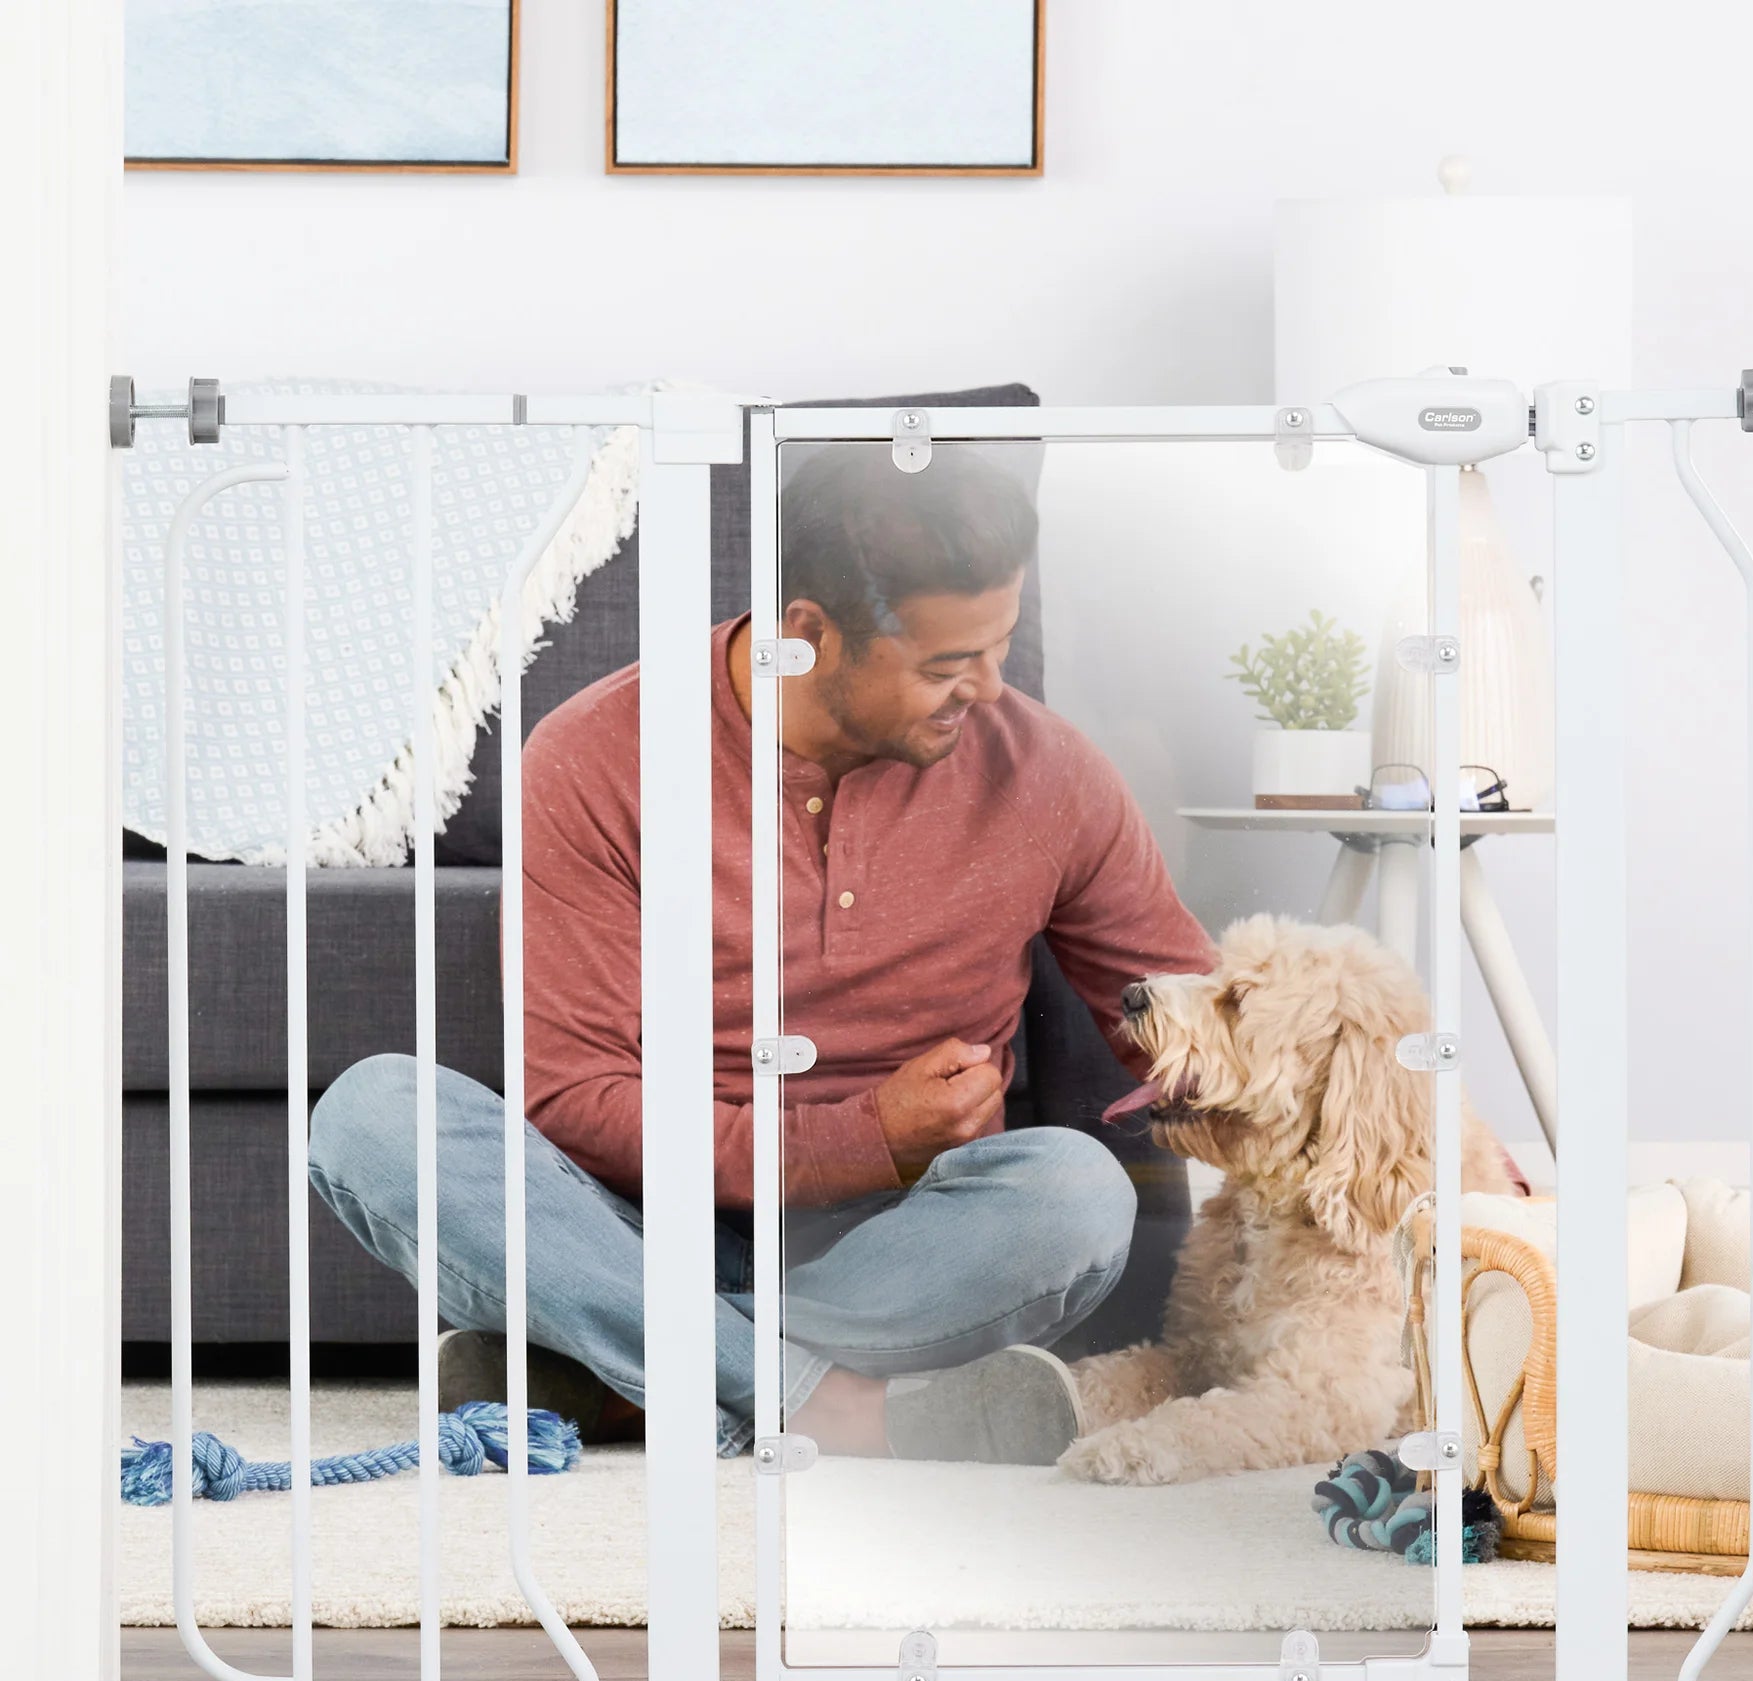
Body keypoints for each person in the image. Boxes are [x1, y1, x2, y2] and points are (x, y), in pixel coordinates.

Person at [309, 444, 1213, 1464]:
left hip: (901, 1240)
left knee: (1075, 1192)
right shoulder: (597, 756)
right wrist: (865, 1132)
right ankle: (816, 1401)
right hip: (640, 1218)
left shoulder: (1047, 772)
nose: (990, 688)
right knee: (373, 1115)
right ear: (806, 635)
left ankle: (623, 1373)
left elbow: (1202, 1021)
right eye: (945, 664)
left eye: (997, 645)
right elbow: (569, 1100)